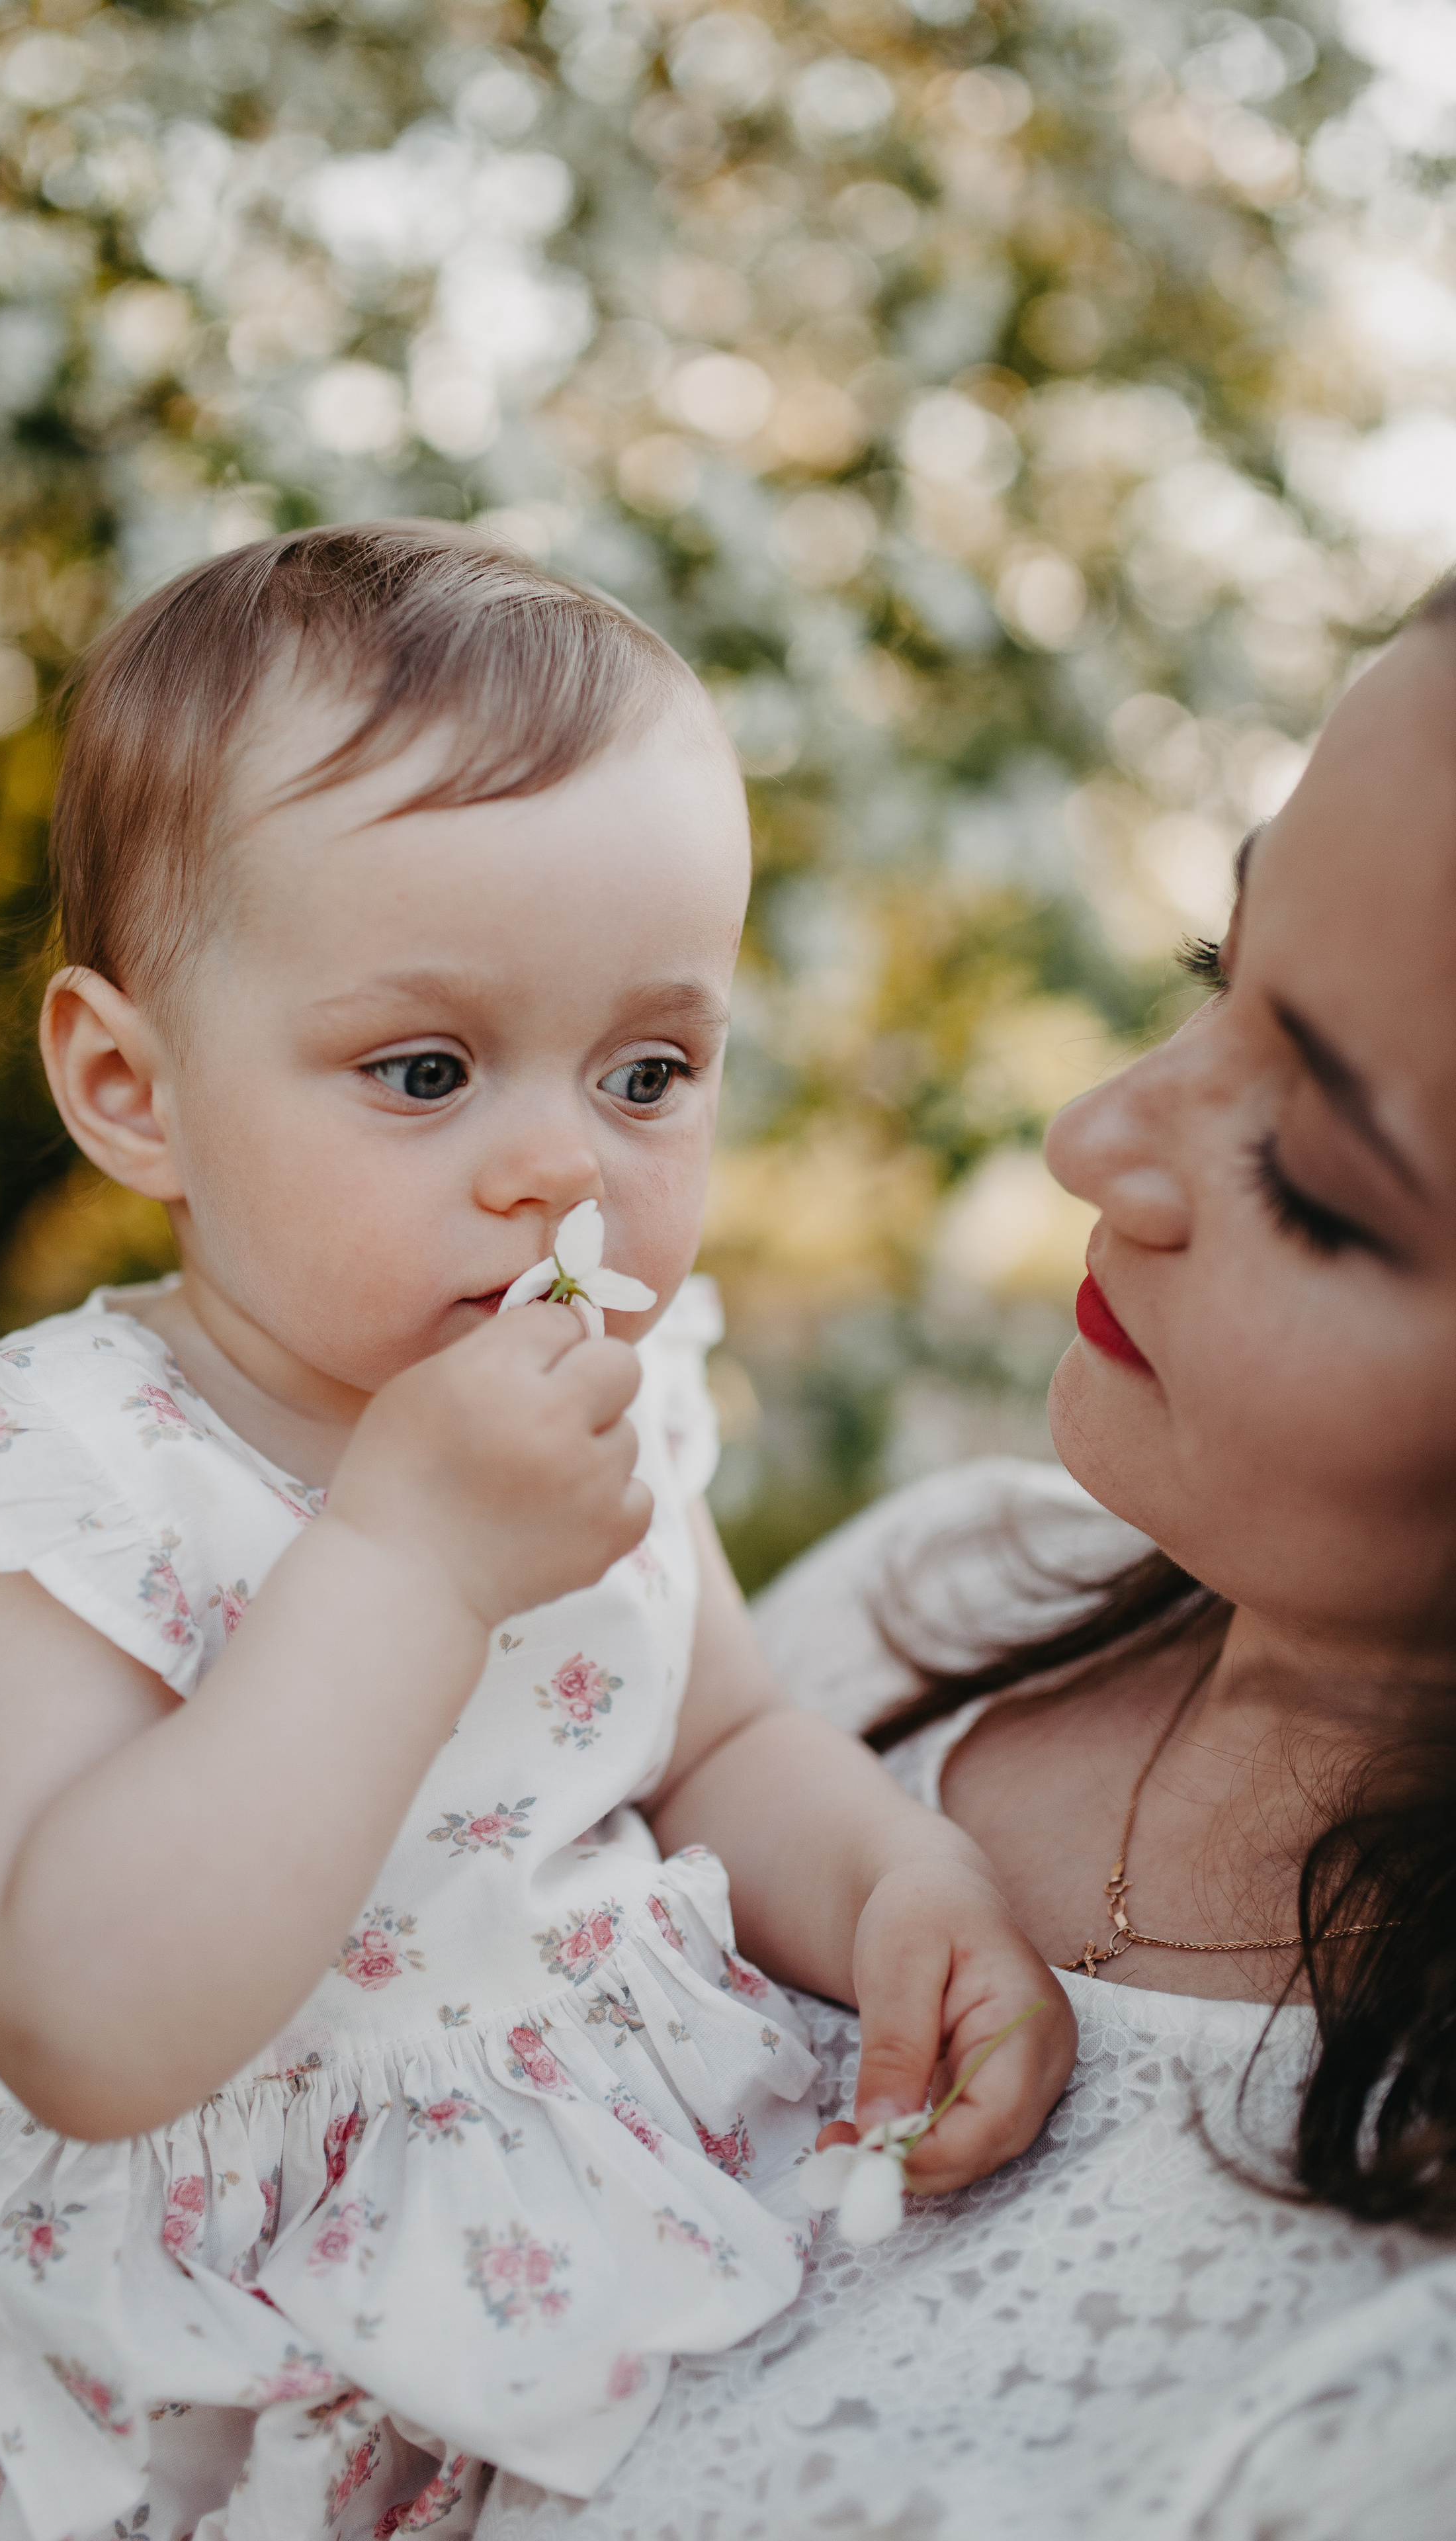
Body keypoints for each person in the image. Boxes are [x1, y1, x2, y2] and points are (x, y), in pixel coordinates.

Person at [0, 525, 1071, 2541]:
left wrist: (896, 1886)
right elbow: (79, 2017)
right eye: (428, 1071)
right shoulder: (52, 1471)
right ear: (135, 1088)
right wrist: (401, 1568)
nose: (560, 1166)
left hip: (568, 2269)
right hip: (153, 2386)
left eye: (649, 1071)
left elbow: (712, 1739)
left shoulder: (610, 1396)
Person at [477, 583, 1456, 2541]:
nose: (1092, 1135)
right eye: (1213, 967)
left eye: (1319, 1187)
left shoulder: (1386, 2422)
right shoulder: (933, 1593)